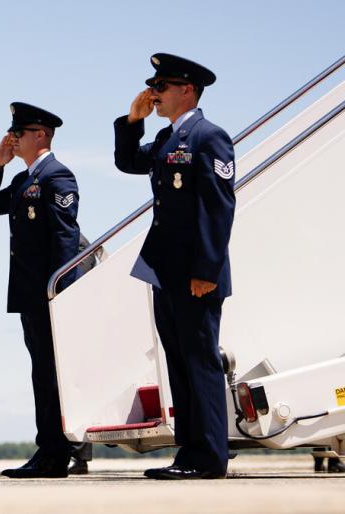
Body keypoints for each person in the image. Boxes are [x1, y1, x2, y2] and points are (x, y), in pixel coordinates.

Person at [113, 53, 235, 480]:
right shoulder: (167, 140)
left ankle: (209, 458)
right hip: (165, 270)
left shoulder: (209, 137)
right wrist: (133, 121)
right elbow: (128, 162)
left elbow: (218, 208)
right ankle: (190, 453)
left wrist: (206, 270)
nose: (154, 94)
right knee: (179, 363)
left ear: (187, 90)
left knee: (200, 362)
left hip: (196, 274)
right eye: (153, 87)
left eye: (161, 87)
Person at [0, 102, 88, 478]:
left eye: (19, 133)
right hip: (30, 294)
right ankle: (49, 451)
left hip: (48, 295)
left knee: (51, 374)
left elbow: (64, 240)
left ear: (40, 135)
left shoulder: (57, 176)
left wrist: (61, 293)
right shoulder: (24, 180)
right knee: (42, 373)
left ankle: (56, 454)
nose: (13, 138)